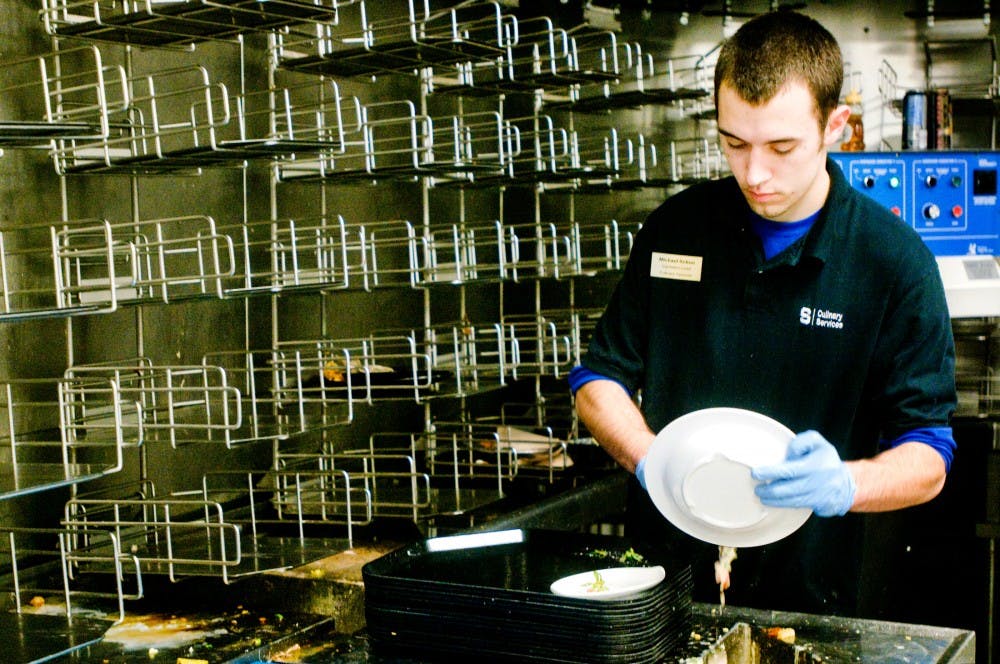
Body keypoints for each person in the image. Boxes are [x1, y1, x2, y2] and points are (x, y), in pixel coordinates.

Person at [569, 10, 956, 617]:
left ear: (836, 126)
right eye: (733, 143)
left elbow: (929, 454)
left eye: (781, 146)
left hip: (816, 594)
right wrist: (650, 459)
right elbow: (598, 381)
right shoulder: (677, 228)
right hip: (666, 585)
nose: (754, 173)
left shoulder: (894, 263)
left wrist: (846, 483)